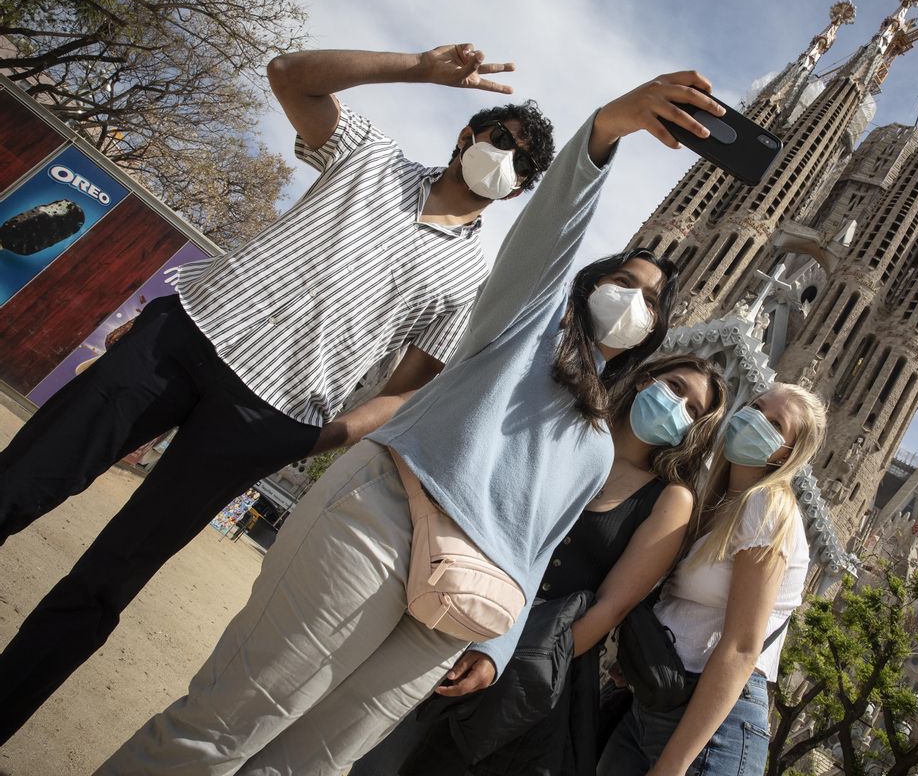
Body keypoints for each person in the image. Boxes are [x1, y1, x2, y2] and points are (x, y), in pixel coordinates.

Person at [94, 70, 726, 776]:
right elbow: (553, 229)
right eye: (624, 282)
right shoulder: (524, 324)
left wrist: (493, 645)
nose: (631, 301)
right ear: (585, 285)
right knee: (223, 728)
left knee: (308, 768)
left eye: (649, 303)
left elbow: (537, 550)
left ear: (652, 337)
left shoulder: (593, 442)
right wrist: (607, 130)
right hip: (385, 523)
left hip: (458, 608)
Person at [0, 43, 558, 742]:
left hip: (270, 417)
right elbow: (289, 75)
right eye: (498, 137)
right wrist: (419, 69)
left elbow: (407, 390)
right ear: (466, 134)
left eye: (522, 163)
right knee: (23, 477)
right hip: (185, 339)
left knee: (109, 578)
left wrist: (325, 436)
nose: (504, 156)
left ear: (520, 188)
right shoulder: (371, 158)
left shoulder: (468, 281)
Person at [354, 354, 730, 776]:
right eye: (675, 388)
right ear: (646, 379)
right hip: (457, 610)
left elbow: (612, 606)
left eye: (693, 410)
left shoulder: (669, 500)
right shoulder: (571, 433)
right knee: (374, 747)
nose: (677, 406)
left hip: (533, 663)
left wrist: (519, 663)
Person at [598, 384, 829, 776]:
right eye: (756, 406)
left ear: (786, 454)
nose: (755, 419)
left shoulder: (767, 505)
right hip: (657, 701)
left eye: (775, 423)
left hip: (712, 727)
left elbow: (741, 647)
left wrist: (674, 763)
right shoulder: (719, 505)